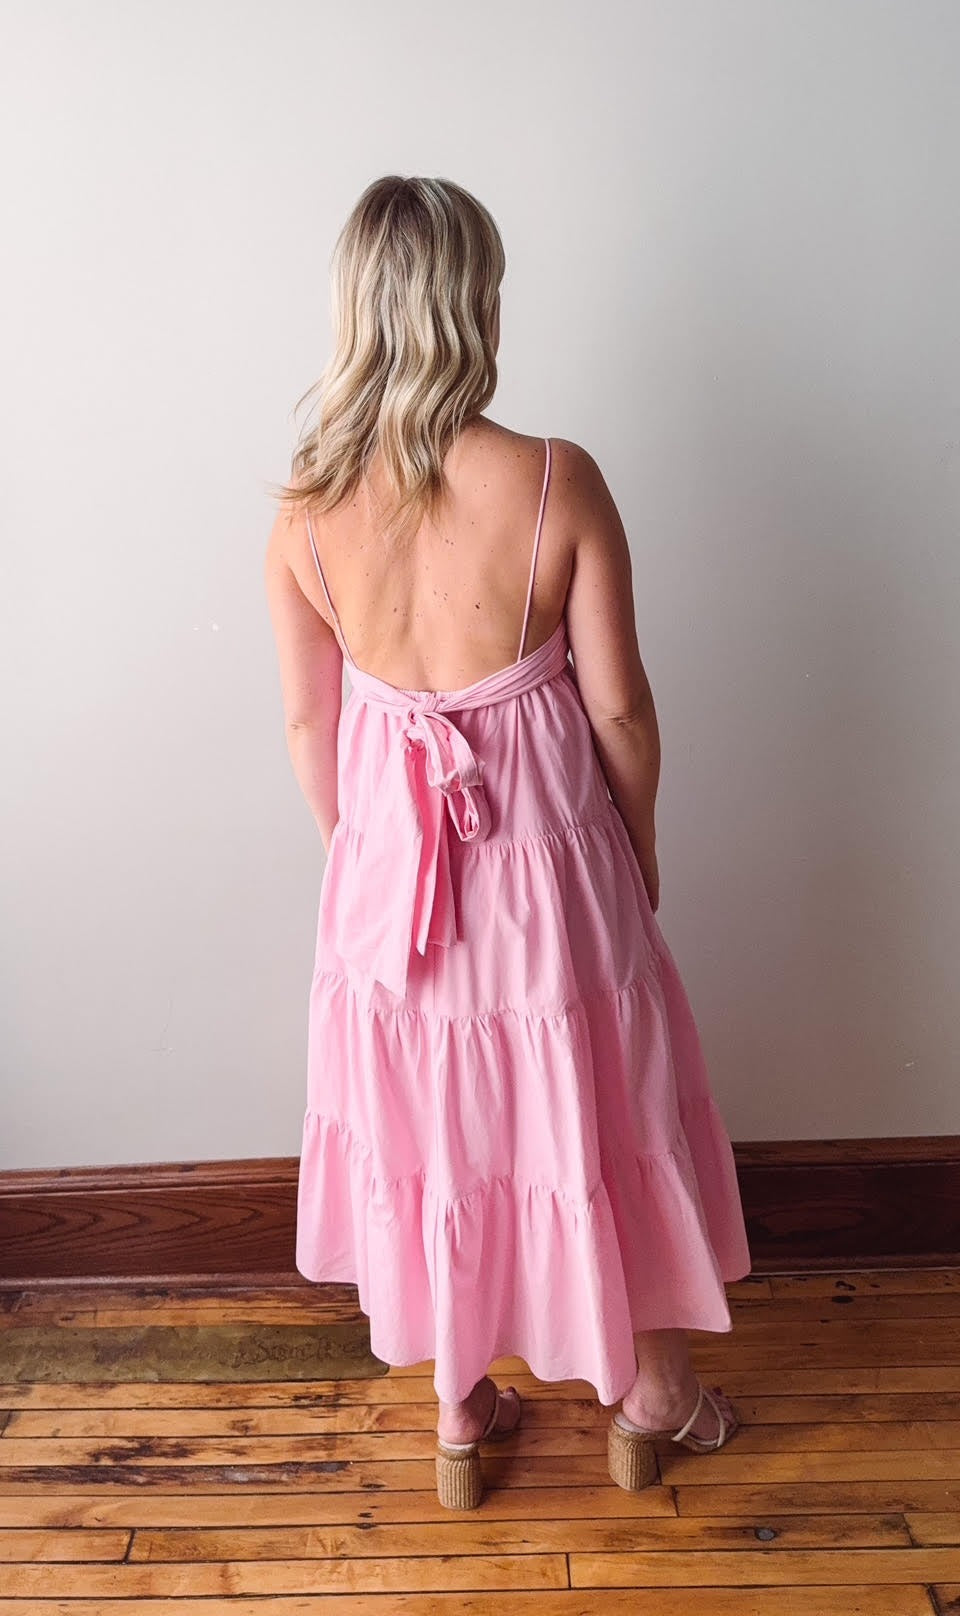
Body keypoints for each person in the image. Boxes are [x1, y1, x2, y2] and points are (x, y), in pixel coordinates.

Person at [264, 174, 752, 1510]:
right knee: (602, 1106)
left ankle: (461, 1414)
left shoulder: (303, 512)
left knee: (437, 1127)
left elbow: (310, 725)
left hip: (391, 894)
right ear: (472, 304)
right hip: (552, 875)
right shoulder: (552, 481)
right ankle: (652, 1400)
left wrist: (369, 863)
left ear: (357, 311)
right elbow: (622, 709)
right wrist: (639, 850)